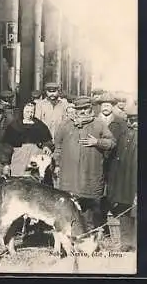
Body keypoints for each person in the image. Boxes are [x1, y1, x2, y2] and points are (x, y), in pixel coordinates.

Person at [53, 96, 116, 230]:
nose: (83, 111)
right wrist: (57, 165)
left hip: (90, 174)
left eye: (85, 108)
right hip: (70, 175)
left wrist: (97, 142)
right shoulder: (65, 124)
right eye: (80, 109)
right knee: (69, 205)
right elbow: (57, 146)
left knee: (88, 207)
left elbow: (112, 143)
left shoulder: (99, 124)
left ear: (90, 108)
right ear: (75, 110)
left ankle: (88, 236)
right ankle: (70, 236)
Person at [105, 104, 137, 251]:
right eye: (130, 120)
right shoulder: (123, 135)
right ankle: (126, 242)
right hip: (124, 181)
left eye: (136, 119)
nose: (133, 123)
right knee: (124, 208)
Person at [2, 101, 53, 177]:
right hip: (19, 158)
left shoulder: (40, 125)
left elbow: (48, 141)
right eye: (27, 111)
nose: (29, 114)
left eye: (32, 112)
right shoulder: (14, 126)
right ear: (22, 111)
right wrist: (6, 163)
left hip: (35, 158)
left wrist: (46, 146)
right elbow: (7, 146)